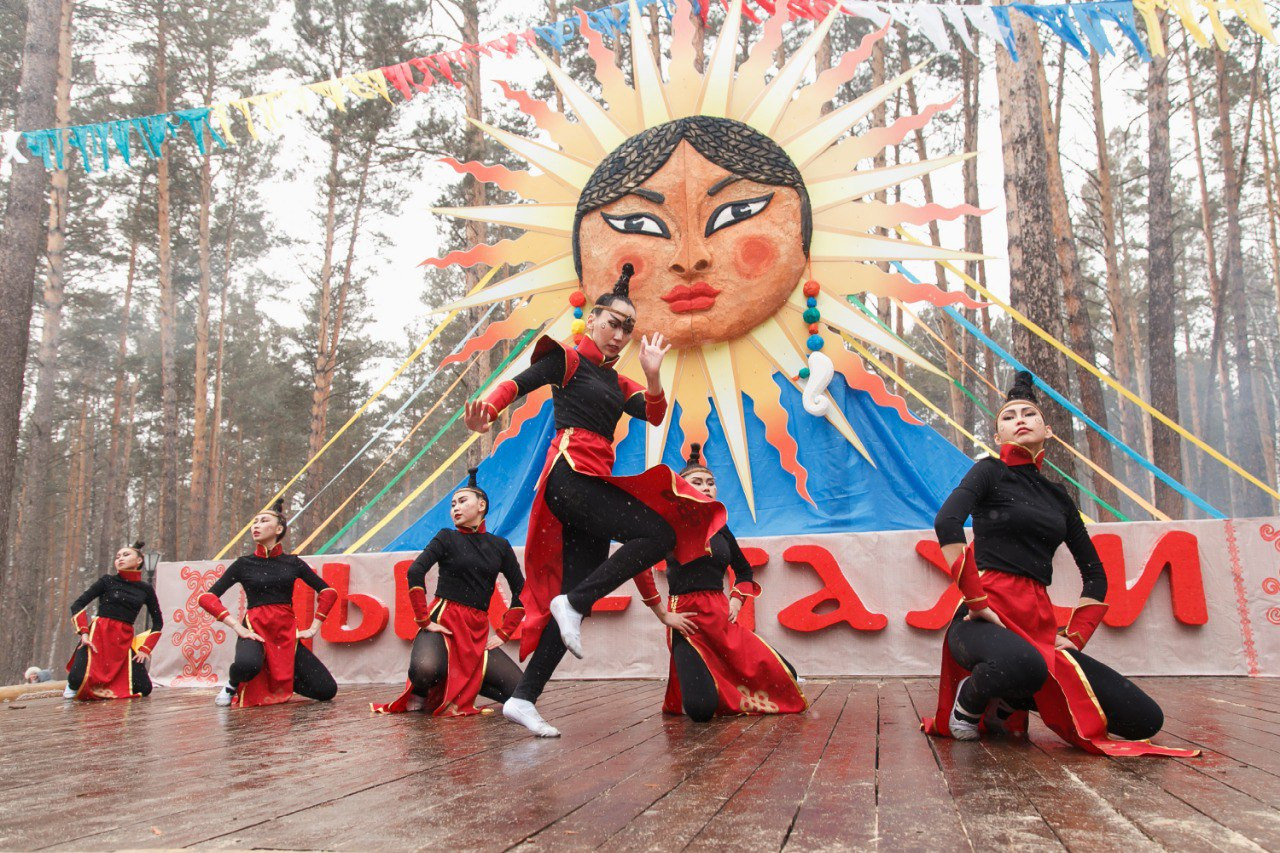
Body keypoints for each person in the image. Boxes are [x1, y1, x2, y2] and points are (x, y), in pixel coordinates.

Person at [464, 264, 725, 737]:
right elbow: (517, 383)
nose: (620, 335)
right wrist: (488, 409)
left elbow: (653, 412)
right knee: (658, 531)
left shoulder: (618, 382)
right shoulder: (567, 360)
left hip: (592, 485)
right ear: (593, 319)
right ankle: (574, 603)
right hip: (569, 476)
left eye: (628, 328)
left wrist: (652, 376)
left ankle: (524, 698)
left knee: (572, 610)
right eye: (613, 323)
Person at [922, 371, 1197, 757]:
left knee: (1144, 720)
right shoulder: (988, 471)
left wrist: (1077, 636)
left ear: (1047, 430)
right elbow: (946, 523)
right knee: (1025, 664)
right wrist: (978, 603)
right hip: (980, 620)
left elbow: (1095, 575)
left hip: (1038, 624)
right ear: (998, 436)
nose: (1020, 418)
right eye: (1009, 416)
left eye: (1029, 413)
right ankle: (969, 702)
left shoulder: (1059, 497)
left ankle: (1008, 700)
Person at [656, 445, 806, 721]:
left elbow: (744, 571)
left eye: (711, 483)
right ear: (680, 488)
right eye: (697, 483)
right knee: (701, 710)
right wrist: (664, 615)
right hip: (687, 623)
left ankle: (730, 689)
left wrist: (736, 599)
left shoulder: (721, 527)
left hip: (721, 620)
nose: (707, 488)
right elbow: (636, 569)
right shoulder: (666, 526)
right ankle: (718, 689)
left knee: (787, 675)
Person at [372, 469, 527, 717]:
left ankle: (458, 687)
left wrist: (505, 631)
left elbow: (523, 591)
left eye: (462, 501)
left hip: (476, 629)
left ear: (481, 505)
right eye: (452, 504)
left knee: (521, 692)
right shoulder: (446, 537)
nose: (455, 507)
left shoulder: (500, 546)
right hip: (443, 621)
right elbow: (415, 572)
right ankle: (424, 692)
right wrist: (424, 620)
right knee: (425, 670)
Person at [198, 498, 339, 708]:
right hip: (254, 629)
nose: (256, 526)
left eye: (263, 521)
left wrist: (313, 628)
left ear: (279, 529)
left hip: (285, 633)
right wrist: (238, 627)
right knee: (247, 666)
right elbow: (206, 598)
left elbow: (328, 592)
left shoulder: (293, 562)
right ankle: (231, 685)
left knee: (326, 690)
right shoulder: (243, 564)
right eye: (254, 522)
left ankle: (280, 681)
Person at [65, 540, 162, 701]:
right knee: (75, 681)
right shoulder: (107, 581)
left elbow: (158, 622)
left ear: (139, 561)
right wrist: (84, 633)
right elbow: (78, 605)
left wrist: (145, 649)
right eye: (117, 556)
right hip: (97, 637)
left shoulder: (145, 589)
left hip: (123, 641)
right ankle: (74, 686)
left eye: (125, 555)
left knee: (144, 688)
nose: (120, 559)